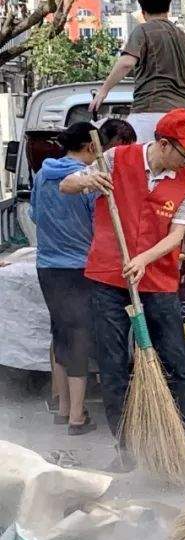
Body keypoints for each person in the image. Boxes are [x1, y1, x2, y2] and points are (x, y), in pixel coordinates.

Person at [61, 108, 185, 465]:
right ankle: (126, 448)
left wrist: (143, 259)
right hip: (108, 275)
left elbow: (177, 235)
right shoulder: (116, 158)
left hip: (156, 279)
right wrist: (89, 181)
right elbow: (66, 185)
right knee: (113, 362)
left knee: (176, 358)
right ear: (164, 144)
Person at [31, 122, 100, 435]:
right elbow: (97, 224)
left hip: (46, 266)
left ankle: (61, 409)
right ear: (89, 147)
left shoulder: (42, 175)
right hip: (78, 268)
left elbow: (34, 214)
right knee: (79, 338)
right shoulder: (87, 181)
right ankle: (76, 417)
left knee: (59, 334)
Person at [88, 0, 185, 142]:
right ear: (168, 7)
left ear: (143, 11)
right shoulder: (184, 37)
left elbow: (126, 63)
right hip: (182, 115)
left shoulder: (143, 30)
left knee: (139, 161)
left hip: (150, 112)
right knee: (176, 165)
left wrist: (103, 91)